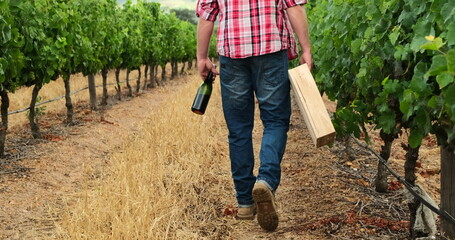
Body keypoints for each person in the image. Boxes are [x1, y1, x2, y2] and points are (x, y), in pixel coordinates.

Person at [195, 0, 312, 232]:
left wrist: (201, 57)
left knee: (238, 129)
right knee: (275, 120)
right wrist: (306, 48)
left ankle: (245, 203)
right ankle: (266, 181)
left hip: (232, 54)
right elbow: (294, 7)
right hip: (271, 50)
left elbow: (207, 16)